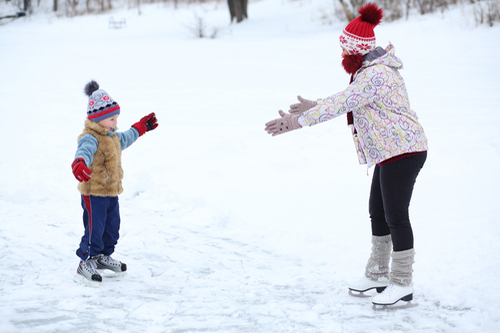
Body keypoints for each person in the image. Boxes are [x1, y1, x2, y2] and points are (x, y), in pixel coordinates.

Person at [264, 3, 428, 306]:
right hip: (391, 151)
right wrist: (314, 105)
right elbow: (345, 99)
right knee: (377, 213)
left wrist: (296, 122)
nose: (341, 55)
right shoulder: (368, 71)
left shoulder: (375, 75)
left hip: (405, 151)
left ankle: (402, 282)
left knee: (395, 216)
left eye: (344, 50)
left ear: (356, 50)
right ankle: (378, 274)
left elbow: (345, 103)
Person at [71, 80, 158, 286]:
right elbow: (83, 151)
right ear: (98, 118)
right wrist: (80, 162)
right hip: (94, 193)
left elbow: (127, 136)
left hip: (111, 193)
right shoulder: (90, 137)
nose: (115, 123)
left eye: (116, 118)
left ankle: (102, 257)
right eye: (111, 119)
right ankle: (87, 261)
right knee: (95, 228)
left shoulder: (112, 137)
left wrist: (141, 127)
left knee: (112, 227)